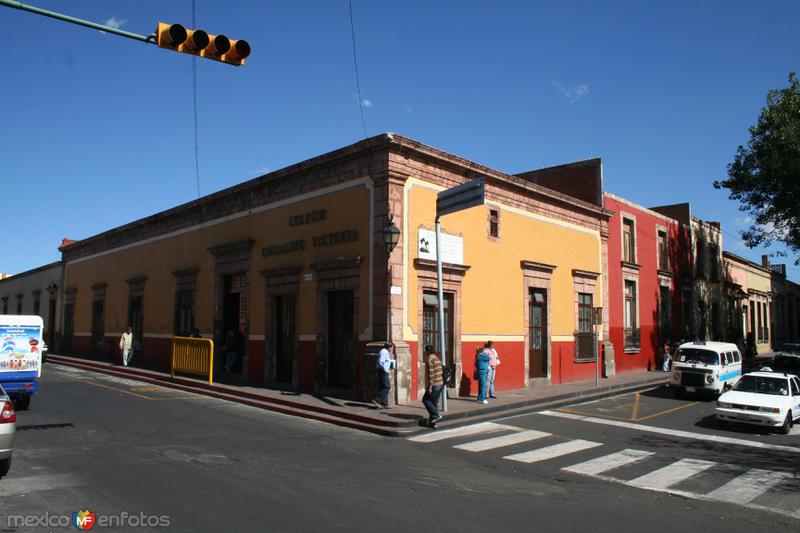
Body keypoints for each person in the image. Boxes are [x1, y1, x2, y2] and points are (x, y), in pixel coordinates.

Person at [422, 345, 444, 427]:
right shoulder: (437, 358)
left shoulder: (429, 359)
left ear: (427, 351)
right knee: (434, 403)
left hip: (435, 385)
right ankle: (433, 423)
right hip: (440, 383)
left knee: (426, 400)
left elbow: (431, 374)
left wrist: (430, 386)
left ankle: (436, 414)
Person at [372, 343, 395, 409]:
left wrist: (388, 366)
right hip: (383, 371)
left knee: (383, 386)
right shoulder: (384, 352)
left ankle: (384, 403)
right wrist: (384, 369)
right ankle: (377, 399)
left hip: (383, 370)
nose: (391, 349)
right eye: (391, 347)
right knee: (387, 386)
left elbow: (385, 361)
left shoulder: (385, 351)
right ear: (389, 347)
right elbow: (380, 362)